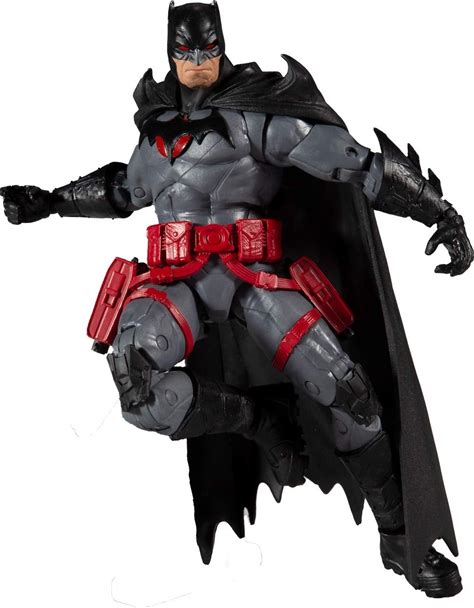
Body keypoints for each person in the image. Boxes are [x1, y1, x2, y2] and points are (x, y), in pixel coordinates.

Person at [2, 1, 472, 598]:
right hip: (179, 284)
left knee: (350, 393)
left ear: (222, 45)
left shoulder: (256, 119)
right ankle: (257, 419)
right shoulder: (155, 132)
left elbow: (354, 164)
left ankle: (400, 537)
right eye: (186, 51)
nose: (198, 61)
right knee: (136, 387)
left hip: (256, 281)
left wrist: (439, 211)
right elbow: (122, 190)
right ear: (170, 51)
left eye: (208, 48)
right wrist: (49, 201)